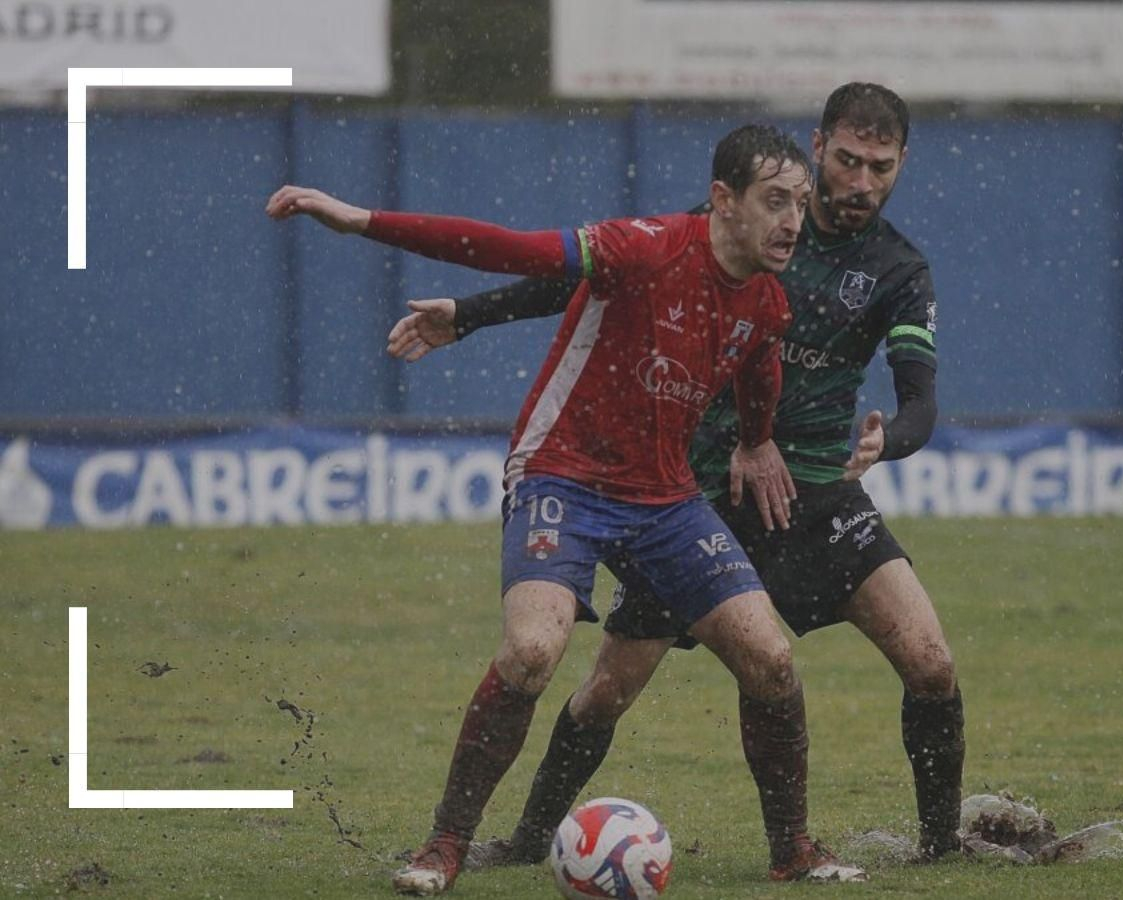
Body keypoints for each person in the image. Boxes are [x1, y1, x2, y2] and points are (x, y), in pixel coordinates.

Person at [267, 124, 857, 895]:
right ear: (723, 200)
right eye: (775, 201)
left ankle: (793, 853)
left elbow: (759, 371)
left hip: (667, 499)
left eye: (801, 204)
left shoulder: (768, 301)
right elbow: (510, 249)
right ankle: (443, 847)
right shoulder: (644, 247)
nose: (792, 221)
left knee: (772, 661)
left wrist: (753, 442)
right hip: (562, 476)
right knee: (532, 653)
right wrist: (362, 221)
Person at [388, 83, 966, 866]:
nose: (861, 183)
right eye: (848, 161)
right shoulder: (736, 219)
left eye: (881, 167)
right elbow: (587, 273)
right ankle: (527, 842)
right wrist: (472, 313)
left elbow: (921, 399)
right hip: (696, 491)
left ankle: (939, 850)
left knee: (929, 662)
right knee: (605, 690)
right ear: (819, 145)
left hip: (820, 494)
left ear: (901, 165)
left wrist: (885, 440)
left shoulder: (897, 269)